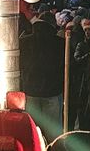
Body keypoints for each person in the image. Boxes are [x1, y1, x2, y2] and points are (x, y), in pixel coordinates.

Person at [19, 10, 64, 141]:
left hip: (30, 90)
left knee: (32, 130)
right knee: (53, 131)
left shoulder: (24, 41)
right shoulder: (60, 43)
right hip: (52, 91)